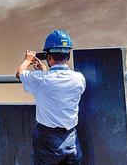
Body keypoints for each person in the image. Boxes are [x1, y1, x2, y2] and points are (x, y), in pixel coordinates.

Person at [15, 30, 86, 165]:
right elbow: (57, 84)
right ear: (68, 55)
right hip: (71, 139)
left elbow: (20, 73)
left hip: (47, 141)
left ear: (48, 56)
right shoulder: (79, 78)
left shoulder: (41, 80)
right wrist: (45, 71)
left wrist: (27, 60)